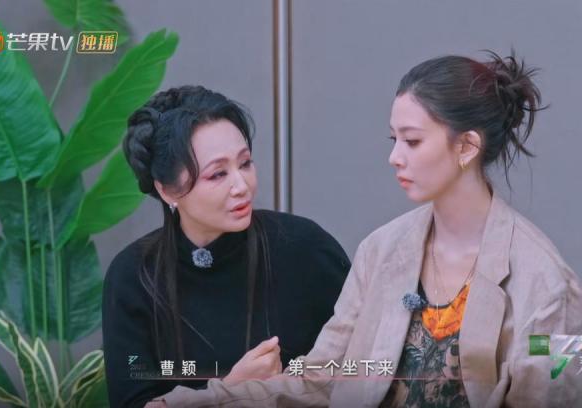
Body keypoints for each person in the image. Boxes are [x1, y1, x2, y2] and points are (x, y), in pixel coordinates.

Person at [155, 52, 582, 407]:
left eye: (412, 141)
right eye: (393, 140)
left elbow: (555, 393)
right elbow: (320, 379)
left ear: (467, 146)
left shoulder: (546, 283)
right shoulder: (382, 250)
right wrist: (197, 401)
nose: (395, 157)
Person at [102, 85, 351, 407]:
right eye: (218, 174)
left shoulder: (305, 247)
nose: (241, 186)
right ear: (167, 190)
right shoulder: (133, 276)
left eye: (245, 163)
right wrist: (232, 389)